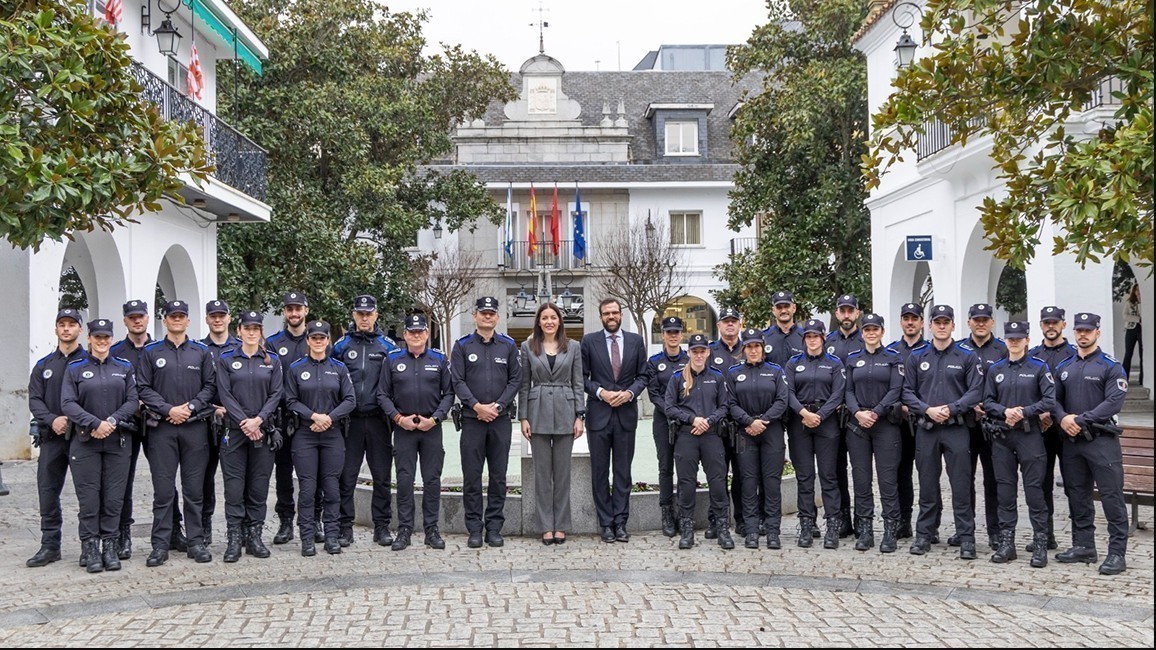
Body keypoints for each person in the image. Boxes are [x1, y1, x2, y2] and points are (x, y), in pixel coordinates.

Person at [137, 300, 217, 566]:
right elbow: (143, 387)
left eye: (181, 316)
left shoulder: (201, 352)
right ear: (165, 320)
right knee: (163, 491)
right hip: (162, 429)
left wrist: (191, 407)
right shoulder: (151, 352)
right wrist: (168, 409)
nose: (177, 320)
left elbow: (210, 386)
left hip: (195, 427)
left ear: (188, 321)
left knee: (194, 490)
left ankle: (195, 542)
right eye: (173, 316)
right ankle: (160, 545)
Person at [902, 304, 985, 559]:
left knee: (961, 484)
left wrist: (951, 408)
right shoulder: (917, 357)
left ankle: (966, 538)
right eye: (937, 322)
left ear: (952, 325)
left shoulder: (967, 356)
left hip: (956, 428)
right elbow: (906, 391)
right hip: (927, 428)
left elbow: (976, 391)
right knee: (927, 484)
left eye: (945, 322)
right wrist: (927, 410)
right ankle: (924, 535)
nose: (941, 326)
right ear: (929, 326)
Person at [1053, 312, 1129, 575]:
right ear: (1074, 332)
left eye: (1088, 330)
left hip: (1101, 441)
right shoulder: (1065, 366)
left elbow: (1113, 402)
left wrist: (1079, 419)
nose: (1083, 334)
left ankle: (1117, 553)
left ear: (1098, 332)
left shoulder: (1110, 366)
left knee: (1111, 497)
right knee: (1077, 496)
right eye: (1079, 330)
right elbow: (1054, 399)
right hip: (1072, 442)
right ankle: (1084, 545)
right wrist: (1062, 418)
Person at [60, 318, 138, 573]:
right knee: (89, 498)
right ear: (89, 339)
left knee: (114, 498)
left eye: (106, 337)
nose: (102, 341)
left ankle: (110, 546)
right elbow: (68, 403)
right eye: (97, 337)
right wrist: (95, 423)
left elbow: (132, 401)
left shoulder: (124, 367)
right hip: (85, 441)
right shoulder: (75, 369)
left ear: (111, 339)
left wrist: (112, 421)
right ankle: (90, 547)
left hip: (117, 441)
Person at [451, 296, 523, 548]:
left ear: (498, 317)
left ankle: (494, 528)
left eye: (492, 313)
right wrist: (476, 406)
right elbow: (457, 381)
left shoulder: (508, 346)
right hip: (472, 420)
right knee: (472, 477)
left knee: (498, 476)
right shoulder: (462, 346)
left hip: (500, 421)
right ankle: (474, 528)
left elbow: (516, 380)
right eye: (483, 313)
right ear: (475, 316)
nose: (487, 316)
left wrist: (498, 406)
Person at [982, 320, 1056, 567]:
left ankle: (1040, 543)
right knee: (1005, 491)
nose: (1014, 342)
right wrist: (1005, 411)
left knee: (1034, 491)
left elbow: (1049, 400)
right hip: (1002, 437)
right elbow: (987, 401)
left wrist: (1023, 412)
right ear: (1005, 340)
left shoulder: (1039, 367)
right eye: (1010, 338)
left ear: (1027, 340)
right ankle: (1007, 543)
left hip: (1029, 435)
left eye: (1019, 338)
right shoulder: (996, 369)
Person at [377, 314, 453, 551]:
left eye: (420, 331)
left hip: (431, 428)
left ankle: (432, 530)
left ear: (427, 334)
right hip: (404, 429)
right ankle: (404, 531)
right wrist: (399, 418)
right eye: (412, 332)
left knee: (432, 480)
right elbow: (382, 394)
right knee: (404, 480)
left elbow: (449, 394)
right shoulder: (392, 359)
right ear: (405, 335)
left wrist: (435, 418)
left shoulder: (439, 359)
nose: (416, 335)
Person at [215, 310, 283, 562]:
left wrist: (258, 420)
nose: (252, 332)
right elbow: (225, 394)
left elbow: (275, 394)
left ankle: (254, 536)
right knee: (234, 488)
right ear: (239, 330)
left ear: (261, 331)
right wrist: (245, 422)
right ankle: (234, 539)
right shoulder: (226, 360)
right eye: (247, 328)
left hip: (262, 431)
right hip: (234, 431)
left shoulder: (272, 361)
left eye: (256, 328)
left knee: (258, 486)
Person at [283, 320, 356, 556]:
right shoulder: (296, 368)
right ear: (308, 340)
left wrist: (329, 418)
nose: (317, 341)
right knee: (307, 489)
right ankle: (307, 538)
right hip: (305, 433)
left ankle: (332, 536)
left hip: (332, 434)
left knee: (332, 488)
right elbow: (290, 400)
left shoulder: (339, 368)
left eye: (321, 338)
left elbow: (350, 399)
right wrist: (314, 416)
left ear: (327, 340)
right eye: (313, 337)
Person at [332, 294, 398, 547]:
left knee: (381, 475)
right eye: (360, 313)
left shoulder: (387, 346)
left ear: (376, 315)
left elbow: (395, 382)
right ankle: (345, 527)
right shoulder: (341, 346)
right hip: (350, 421)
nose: (364, 318)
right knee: (347, 475)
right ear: (353, 315)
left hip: (379, 420)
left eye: (368, 313)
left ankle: (381, 526)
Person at [581, 298, 648, 544]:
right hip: (599, 415)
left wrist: (630, 393)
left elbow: (643, 376)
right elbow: (582, 378)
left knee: (623, 472)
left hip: (625, 416)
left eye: (615, 312)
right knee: (600, 473)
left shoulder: (635, 341)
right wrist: (601, 392)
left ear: (621, 314)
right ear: (601, 317)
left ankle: (620, 522)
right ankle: (606, 524)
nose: (611, 316)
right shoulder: (589, 341)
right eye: (606, 313)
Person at [518, 302, 585, 545]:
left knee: (563, 474)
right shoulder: (527, 347)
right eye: (545, 317)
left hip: (566, 411)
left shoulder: (573, 346)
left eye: (553, 317)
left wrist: (580, 416)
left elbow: (578, 383)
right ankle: (546, 526)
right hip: (537, 413)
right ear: (539, 321)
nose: (549, 321)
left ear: (559, 321)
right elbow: (524, 385)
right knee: (542, 474)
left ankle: (561, 525)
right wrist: (523, 417)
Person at [26, 308, 86, 568]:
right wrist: (52, 419)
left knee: (87, 493)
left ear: (80, 329)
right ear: (56, 329)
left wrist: (73, 420)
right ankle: (50, 545)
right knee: (48, 491)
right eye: (62, 324)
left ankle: (89, 545)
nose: (66, 328)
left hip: (82, 438)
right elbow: (35, 400)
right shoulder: (44, 366)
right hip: (52, 437)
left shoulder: (90, 362)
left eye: (71, 324)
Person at [664, 334, 733, 550]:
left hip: (712, 435)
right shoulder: (677, 378)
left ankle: (722, 528)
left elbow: (725, 406)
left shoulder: (717, 377)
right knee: (686, 484)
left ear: (708, 352)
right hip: (687, 435)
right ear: (689, 352)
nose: (699, 355)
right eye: (695, 351)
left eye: (702, 351)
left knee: (718, 482)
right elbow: (669, 407)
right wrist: (692, 419)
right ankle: (687, 530)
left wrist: (708, 421)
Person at [844, 314, 904, 553]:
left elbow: (895, 389)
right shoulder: (853, 359)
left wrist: (876, 412)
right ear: (862, 333)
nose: (871, 333)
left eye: (875, 329)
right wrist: (858, 413)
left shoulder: (893, 358)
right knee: (861, 479)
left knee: (887, 480)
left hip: (885, 424)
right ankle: (865, 530)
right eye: (867, 329)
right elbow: (848, 391)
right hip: (858, 425)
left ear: (882, 332)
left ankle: (890, 530)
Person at [725, 327, 789, 549]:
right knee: (749, 482)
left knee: (771, 483)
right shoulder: (734, 372)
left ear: (763, 348)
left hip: (771, 430)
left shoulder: (775, 371)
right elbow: (731, 403)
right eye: (749, 346)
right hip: (746, 432)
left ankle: (772, 531)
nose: (753, 350)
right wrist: (749, 422)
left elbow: (782, 400)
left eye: (757, 346)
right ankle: (751, 530)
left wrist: (763, 421)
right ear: (743, 349)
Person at [786, 319, 846, 549]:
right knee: (805, 477)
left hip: (826, 422)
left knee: (829, 476)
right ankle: (807, 524)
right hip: (800, 422)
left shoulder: (834, 363)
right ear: (804, 339)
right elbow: (787, 392)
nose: (812, 340)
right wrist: (804, 413)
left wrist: (819, 415)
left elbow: (838, 393)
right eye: (808, 336)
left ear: (823, 338)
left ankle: (832, 525)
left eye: (816, 336)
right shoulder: (793, 363)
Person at [265, 291, 313, 545]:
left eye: (298, 308)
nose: (294, 313)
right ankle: (285, 521)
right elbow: (271, 381)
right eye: (289, 309)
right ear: (284, 312)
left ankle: (313, 520)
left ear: (306, 310)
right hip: (283, 417)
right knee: (283, 472)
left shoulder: (317, 338)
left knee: (311, 473)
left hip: (310, 419)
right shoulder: (273, 343)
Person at [957, 303, 1006, 550]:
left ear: (992, 322)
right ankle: (965, 530)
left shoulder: (1003, 350)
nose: (980, 324)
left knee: (993, 479)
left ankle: (995, 531)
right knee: (963, 479)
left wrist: (989, 406)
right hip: (965, 423)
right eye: (976, 319)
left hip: (993, 423)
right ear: (969, 322)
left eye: (985, 319)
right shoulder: (958, 349)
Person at [1027, 306, 1076, 552]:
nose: (1050, 326)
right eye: (1046, 322)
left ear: (1063, 325)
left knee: (1074, 485)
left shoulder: (1075, 354)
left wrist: (1057, 414)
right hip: (1042, 430)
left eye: (1055, 322)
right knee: (1041, 483)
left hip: (1068, 431)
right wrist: (1039, 413)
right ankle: (1045, 536)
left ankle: (1080, 541)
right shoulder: (1032, 356)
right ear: (1041, 325)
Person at [110, 299, 155, 560]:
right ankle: (122, 534)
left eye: (140, 316)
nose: (137, 321)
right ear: (125, 321)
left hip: (156, 423)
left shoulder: (159, 349)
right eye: (132, 317)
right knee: (123, 480)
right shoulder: (115, 352)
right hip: (126, 425)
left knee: (163, 478)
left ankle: (172, 529)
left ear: (147, 318)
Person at [886, 302, 933, 541]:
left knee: (928, 474)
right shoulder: (892, 351)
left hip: (926, 421)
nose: (910, 322)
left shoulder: (932, 350)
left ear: (922, 322)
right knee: (900, 472)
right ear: (901, 322)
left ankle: (931, 525)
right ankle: (903, 521)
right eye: (906, 318)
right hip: (899, 422)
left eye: (914, 318)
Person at [200, 299, 240, 546]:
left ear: (229, 318)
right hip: (205, 420)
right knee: (204, 478)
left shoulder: (241, 347)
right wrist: (213, 408)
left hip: (234, 422)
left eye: (221, 315)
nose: (217, 320)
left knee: (236, 478)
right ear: (206, 319)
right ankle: (204, 526)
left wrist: (232, 410)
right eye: (213, 316)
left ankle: (239, 528)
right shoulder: (198, 349)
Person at [646, 316, 689, 538]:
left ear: (682, 334)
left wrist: (682, 415)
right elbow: (653, 394)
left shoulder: (689, 359)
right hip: (663, 420)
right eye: (669, 332)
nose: (673, 336)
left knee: (684, 467)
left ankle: (683, 512)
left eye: (676, 332)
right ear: (662, 335)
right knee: (665, 467)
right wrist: (671, 411)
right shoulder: (654, 362)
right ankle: (667, 512)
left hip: (685, 421)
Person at [826, 294, 864, 539]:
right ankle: (842, 518)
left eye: (851, 310)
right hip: (833, 416)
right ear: (837, 313)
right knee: (836, 468)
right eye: (843, 310)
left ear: (857, 313)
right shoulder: (828, 342)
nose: (847, 315)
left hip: (858, 416)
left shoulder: (866, 338)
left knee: (860, 471)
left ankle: (862, 519)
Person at [709, 307, 747, 538]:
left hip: (741, 423)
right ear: (719, 325)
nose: (730, 325)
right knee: (717, 474)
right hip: (717, 424)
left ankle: (741, 519)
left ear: (740, 325)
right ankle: (717, 519)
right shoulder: (710, 352)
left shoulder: (749, 349)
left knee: (742, 475)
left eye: (734, 321)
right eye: (726, 321)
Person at [762, 290, 804, 368]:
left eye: (787, 306)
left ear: (794, 308)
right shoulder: (764, 337)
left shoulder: (805, 337)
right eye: (779, 307)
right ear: (773, 310)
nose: (783, 311)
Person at [1122, 284, 1142, 385]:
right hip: (1131, 329)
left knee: (1143, 354)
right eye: (1136, 290)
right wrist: (1138, 319)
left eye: (1139, 290)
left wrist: (1140, 302)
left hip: (1142, 329)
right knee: (1128, 354)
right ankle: (1124, 378)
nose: (1138, 292)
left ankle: (1142, 379)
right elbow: (1125, 316)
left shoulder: (1145, 302)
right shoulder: (1129, 302)